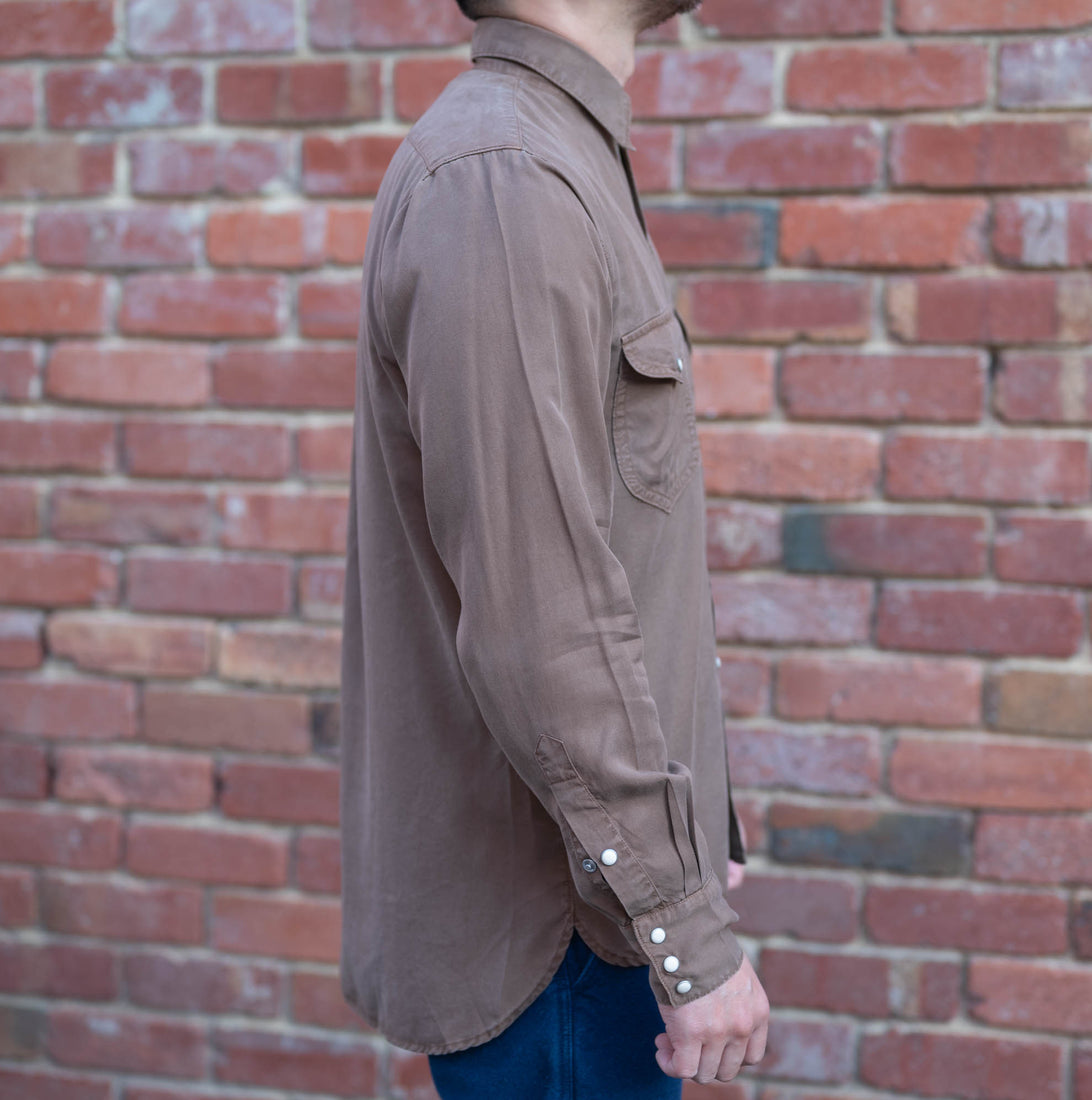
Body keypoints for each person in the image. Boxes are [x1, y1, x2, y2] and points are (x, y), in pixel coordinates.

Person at [337, 0, 770, 1094]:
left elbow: (612, 554)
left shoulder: (552, 154)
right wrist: (683, 927)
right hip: (563, 935)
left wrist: (688, 832)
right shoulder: (503, 177)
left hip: (594, 906)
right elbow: (541, 621)